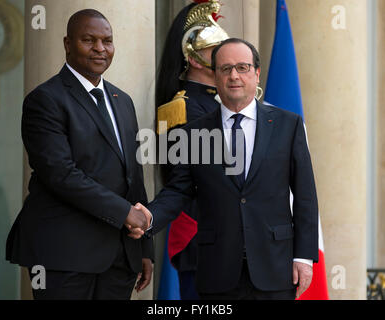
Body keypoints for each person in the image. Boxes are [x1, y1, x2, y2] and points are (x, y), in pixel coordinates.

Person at [133, 38, 319, 300]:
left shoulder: (288, 125)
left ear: (257, 74)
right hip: (217, 270)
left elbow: (305, 197)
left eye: (242, 68)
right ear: (216, 76)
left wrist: (303, 257)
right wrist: (149, 217)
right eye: (225, 68)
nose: (234, 76)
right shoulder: (194, 133)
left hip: (276, 268)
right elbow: (177, 191)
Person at [6, 9, 153, 300]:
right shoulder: (45, 100)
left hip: (118, 255)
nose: (100, 48)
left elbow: (132, 177)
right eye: (89, 40)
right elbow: (60, 174)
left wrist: (144, 248)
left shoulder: (122, 101)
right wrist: (126, 213)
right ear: (67, 44)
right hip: (63, 254)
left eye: (107, 41)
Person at [155, 0, 229, 300]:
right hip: (203, 238)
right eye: (219, 52)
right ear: (196, 59)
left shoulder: (224, 103)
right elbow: (188, 182)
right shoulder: (180, 108)